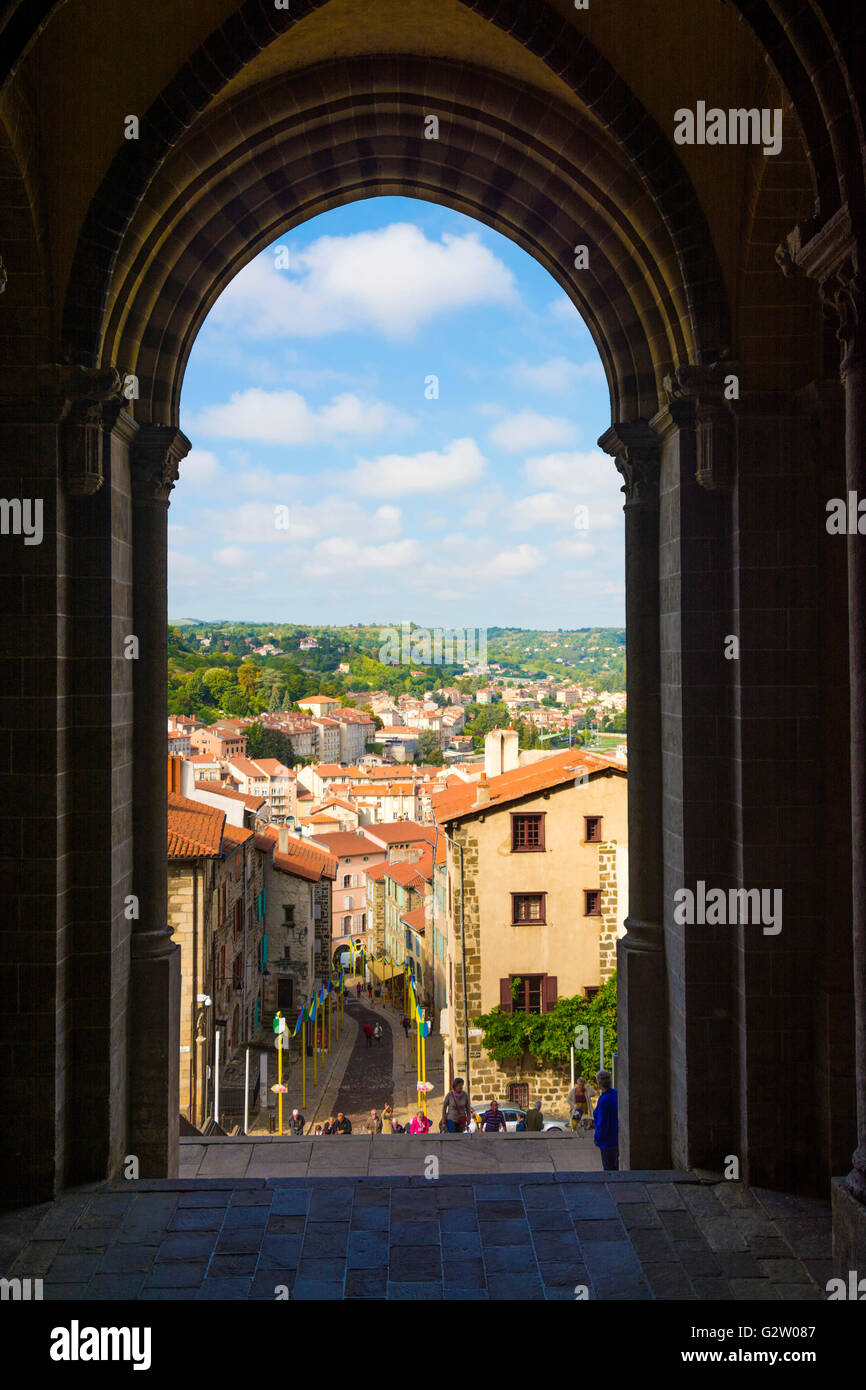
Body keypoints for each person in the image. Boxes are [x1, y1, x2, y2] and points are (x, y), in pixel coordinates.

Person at [593, 1070, 618, 1170]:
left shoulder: (604, 1100)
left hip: (607, 1141)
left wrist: (597, 1137)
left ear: (599, 1083)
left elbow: (603, 1123)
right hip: (616, 1137)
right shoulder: (615, 1093)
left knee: (609, 1169)